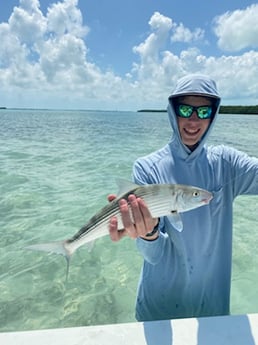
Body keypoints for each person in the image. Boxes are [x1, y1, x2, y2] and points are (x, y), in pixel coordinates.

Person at [108, 74, 258, 322]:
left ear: (214, 114)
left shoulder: (228, 162)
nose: (193, 120)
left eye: (203, 112)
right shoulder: (148, 168)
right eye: (186, 109)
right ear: (172, 111)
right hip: (160, 306)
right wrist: (149, 233)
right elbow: (154, 255)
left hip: (213, 307)